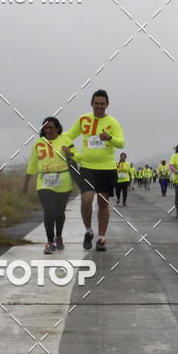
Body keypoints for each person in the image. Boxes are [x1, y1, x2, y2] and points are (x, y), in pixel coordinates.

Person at [65, 89, 124, 251]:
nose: (99, 106)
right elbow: (67, 137)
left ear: (107, 105)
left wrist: (109, 138)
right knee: (86, 200)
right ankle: (88, 231)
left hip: (106, 169)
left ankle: (101, 238)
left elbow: (121, 143)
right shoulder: (83, 120)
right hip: (87, 168)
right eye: (96, 103)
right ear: (91, 104)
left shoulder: (113, 122)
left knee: (103, 204)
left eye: (102, 104)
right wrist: (74, 154)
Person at [23, 116, 78, 254]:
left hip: (63, 181)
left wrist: (69, 153)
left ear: (57, 128)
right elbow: (32, 164)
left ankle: (58, 236)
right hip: (44, 181)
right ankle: (50, 242)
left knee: (59, 212)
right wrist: (26, 183)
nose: (48, 130)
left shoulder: (66, 140)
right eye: (45, 128)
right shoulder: (38, 144)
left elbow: (77, 156)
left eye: (51, 127)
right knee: (49, 210)